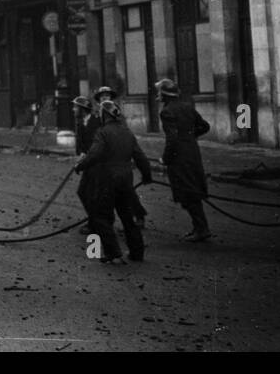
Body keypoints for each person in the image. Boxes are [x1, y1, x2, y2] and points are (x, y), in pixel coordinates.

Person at [75, 99, 153, 264]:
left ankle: (113, 252)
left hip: (108, 180)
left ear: (104, 116)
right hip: (125, 180)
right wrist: (147, 176)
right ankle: (137, 253)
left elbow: (94, 154)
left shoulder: (102, 132)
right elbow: (141, 157)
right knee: (127, 217)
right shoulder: (127, 132)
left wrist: (80, 166)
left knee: (100, 216)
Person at [157, 78, 211, 241]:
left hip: (179, 157)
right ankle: (199, 227)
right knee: (192, 189)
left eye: (159, 92)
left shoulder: (167, 111)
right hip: (192, 152)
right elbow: (205, 126)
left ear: (164, 95)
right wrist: (189, 138)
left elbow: (172, 139)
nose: (158, 95)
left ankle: (202, 229)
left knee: (187, 192)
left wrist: (165, 159)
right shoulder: (187, 106)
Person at [73, 95, 99, 233]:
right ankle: (95, 221)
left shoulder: (97, 122)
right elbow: (81, 144)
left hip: (98, 165)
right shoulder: (80, 122)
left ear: (82, 109)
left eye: (76, 107)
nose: (73, 109)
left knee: (91, 194)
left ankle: (96, 224)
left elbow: (98, 145)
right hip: (89, 164)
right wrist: (81, 153)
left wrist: (85, 156)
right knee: (83, 192)